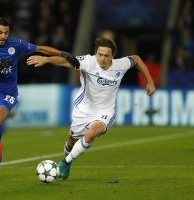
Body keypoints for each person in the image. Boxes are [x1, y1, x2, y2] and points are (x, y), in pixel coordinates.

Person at [27, 37, 156, 180]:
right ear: (96, 53)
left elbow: (136, 59)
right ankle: (68, 158)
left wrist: (150, 82)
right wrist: (46, 60)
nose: (102, 58)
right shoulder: (88, 61)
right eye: (100, 54)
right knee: (72, 141)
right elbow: (66, 61)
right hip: (83, 110)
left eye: (106, 55)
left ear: (113, 56)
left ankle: (65, 162)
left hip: (105, 111)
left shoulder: (120, 65)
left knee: (91, 133)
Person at [0, 17, 63, 183]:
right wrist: (0, 66)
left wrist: (63, 54)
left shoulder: (15, 44)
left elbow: (40, 48)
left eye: (6, 33)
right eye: (0, 32)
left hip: (8, 92)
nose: (3, 36)